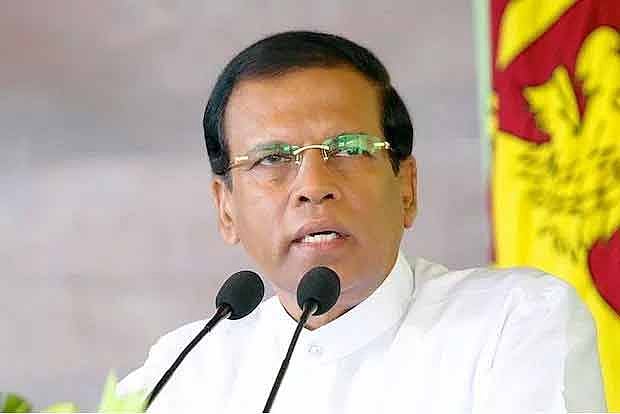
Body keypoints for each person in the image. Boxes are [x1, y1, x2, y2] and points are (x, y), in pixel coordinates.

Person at [117, 31, 606, 412]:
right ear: (226, 209)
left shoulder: (513, 321)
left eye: (349, 149)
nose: (313, 185)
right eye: (272, 159)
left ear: (406, 187)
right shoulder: (180, 372)